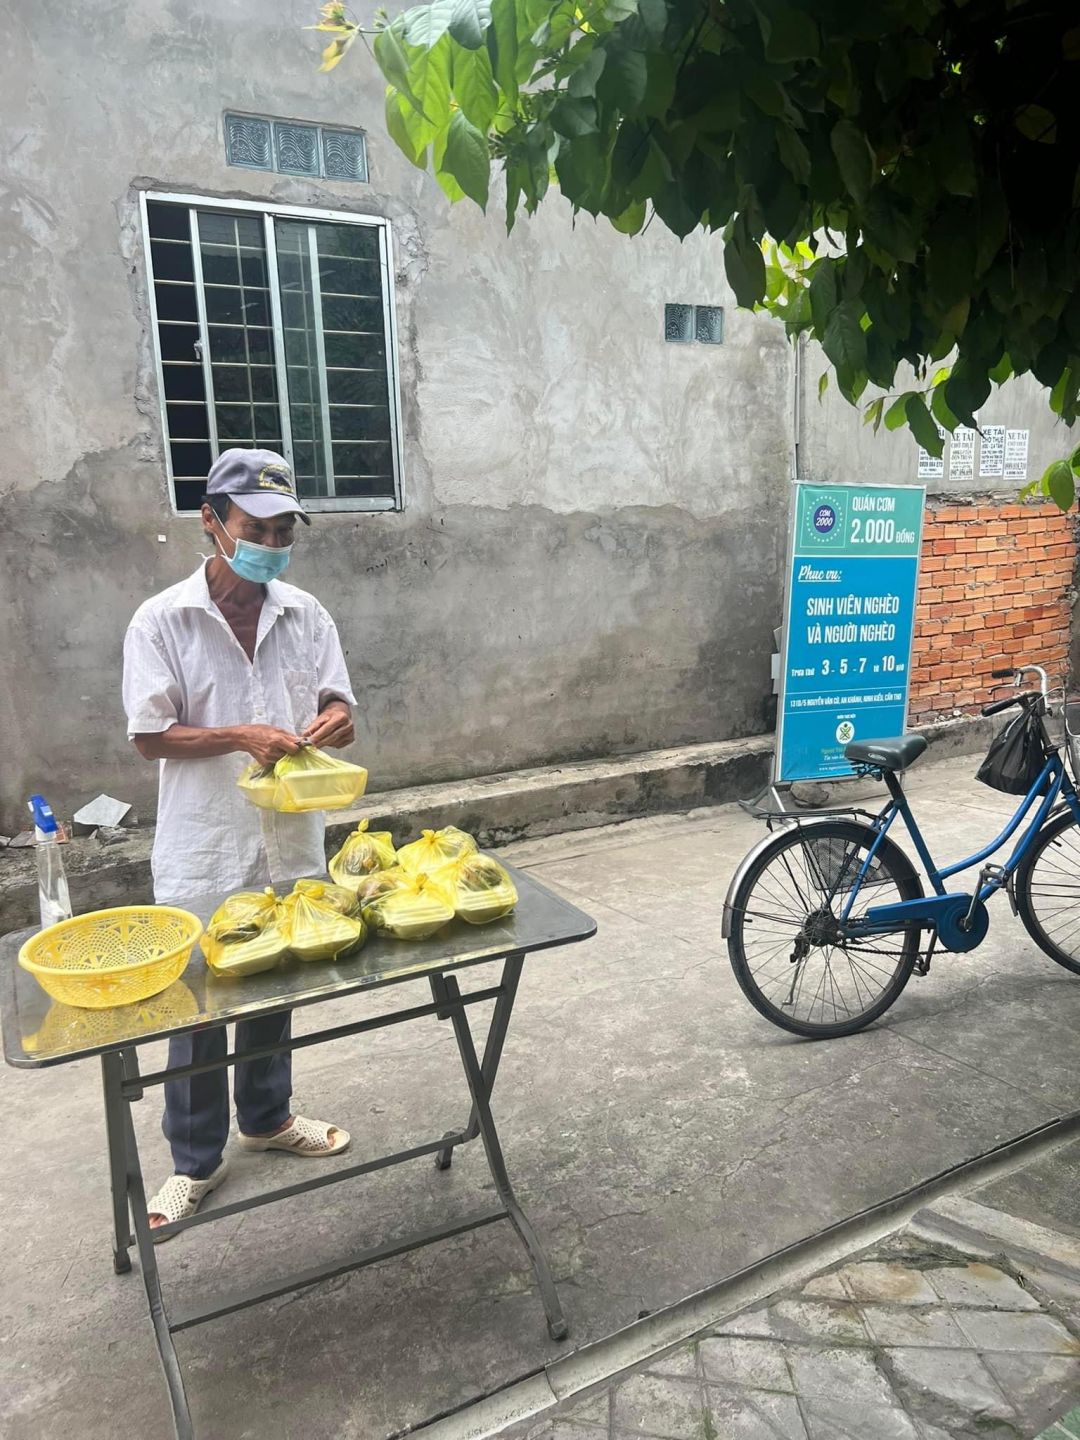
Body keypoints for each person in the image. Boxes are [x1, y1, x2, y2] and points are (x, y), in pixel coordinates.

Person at [122, 448, 357, 1232]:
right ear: (212, 522)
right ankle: (193, 1162)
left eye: (284, 530)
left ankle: (266, 1117)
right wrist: (238, 735)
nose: (271, 544)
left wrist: (336, 718)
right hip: (206, 846)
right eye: (256, 528)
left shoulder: (306, 614)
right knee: (197, 1008)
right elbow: (149, 735)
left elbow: (338, 702)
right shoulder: (163, 619)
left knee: (272, 987)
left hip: (288, 839)